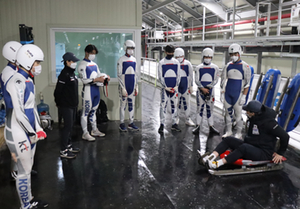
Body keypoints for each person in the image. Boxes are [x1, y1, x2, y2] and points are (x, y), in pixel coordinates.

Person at [5, 44, 48, 209]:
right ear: (28, 61)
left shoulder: (28, 80)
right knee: (23, 171)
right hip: (17, 132)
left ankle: (29, 200)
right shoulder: (15, 81)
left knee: (28, 169)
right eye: (37, 62)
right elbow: (19, 112)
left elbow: (33, 108)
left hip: (28, 132)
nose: (39, 66)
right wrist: (31, 132)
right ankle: (25, 205)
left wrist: (38, 128)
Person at [203, 100, 289, 170]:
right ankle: (211, 157)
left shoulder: (269, 123)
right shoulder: (253, 118)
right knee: (228, 139)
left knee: (244, 148)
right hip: (252, 146)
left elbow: (285, 136)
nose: (246, 112)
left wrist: (280, 153)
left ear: (253, 113)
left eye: (248, 111)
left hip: (263, 152)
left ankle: (217, 164)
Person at [78, 44, 110, 141]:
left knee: (94, 112)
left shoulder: (94, 64)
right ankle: (85, 133)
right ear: (86, 52)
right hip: (88, 91)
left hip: (96, 90)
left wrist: (105, 78)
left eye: (94, 53)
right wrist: (96, 80)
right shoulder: (82, 65)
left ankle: (94, 130)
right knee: (85, 112)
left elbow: (99, 75)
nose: (93, 55)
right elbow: (84, 80)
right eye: (92, 53)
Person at [1, 41, 22, 180]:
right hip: (12, 111)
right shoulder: (8, 72)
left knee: (21, 142)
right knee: (15, 143)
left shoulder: (16, 71)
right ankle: (15, 171)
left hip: (19, 110)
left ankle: (21, 168)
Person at [220, 43, 251, 139]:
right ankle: (228, 131)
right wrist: (222, 93)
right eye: (231, 54)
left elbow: (247, 83)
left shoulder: (245, 66)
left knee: (238, 115)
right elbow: (223, 81)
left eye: (235, 54)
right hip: (228, 94)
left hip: (238, 94)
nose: (233, 56)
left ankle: (239, 133)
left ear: (239, 53)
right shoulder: (227, 66)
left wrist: (244, 96)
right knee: (227, 114)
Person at [54, 52, 81, 159]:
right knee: (67, 127)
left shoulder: (72, 73)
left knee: (71, 126)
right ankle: (63, 150)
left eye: (75, 61)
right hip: (66, 106)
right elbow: (57, 91)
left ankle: (69, 145)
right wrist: (59, 103)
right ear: (67, 62)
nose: (74, 63)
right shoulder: (64, 74)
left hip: (73, 105)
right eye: (73, 61)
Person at [193, 48, 220, 135]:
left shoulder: (215, 67)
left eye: (209, 56)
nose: (207, 58)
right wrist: (202, 88)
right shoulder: (198, 67)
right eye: (206, 56)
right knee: (199, 109)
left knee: (210, 110)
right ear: (203, 56)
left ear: (211, 57)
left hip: (210, 92)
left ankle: (211, 126)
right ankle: (197, 126)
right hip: (200, 92)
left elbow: (216, 79)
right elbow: (196, 80)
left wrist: (209, 87)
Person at [157, 45, 181, 133]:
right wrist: (165, 87)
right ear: (165, 52)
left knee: (175, 106)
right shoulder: (161, 63)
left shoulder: (176, 62)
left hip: (174, 89)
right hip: (165, 89)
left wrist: (176, 86)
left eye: (172, 52)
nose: (171, 54)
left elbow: (178, 75)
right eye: (169, 52)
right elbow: (160, 76)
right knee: (163, 106)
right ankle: (162, 124)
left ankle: (175, 124)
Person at [118, 40, 139, 131]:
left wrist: (136, 86)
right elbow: (119, 74)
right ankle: (121, 123)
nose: (131, 50)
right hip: (124, 86)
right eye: (129, 48)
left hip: (132, 86)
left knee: (131, 105)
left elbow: (136, 74)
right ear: (125, 48)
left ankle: (131, 122)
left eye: (132, 48)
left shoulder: (134, 59)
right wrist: (122, 87)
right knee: (123, 105)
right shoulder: (121, 60)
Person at [174, 47, 195, 127]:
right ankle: (176, 118)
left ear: (183, 56)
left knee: (187, 103)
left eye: (180, 56)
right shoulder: (174, 63)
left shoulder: (187, 63)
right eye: (177, 57)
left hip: (185, 86)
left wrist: (191, 86)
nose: (179, 58)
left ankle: (187, 119)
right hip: (177, 87)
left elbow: (191, 75)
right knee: (177, 103)